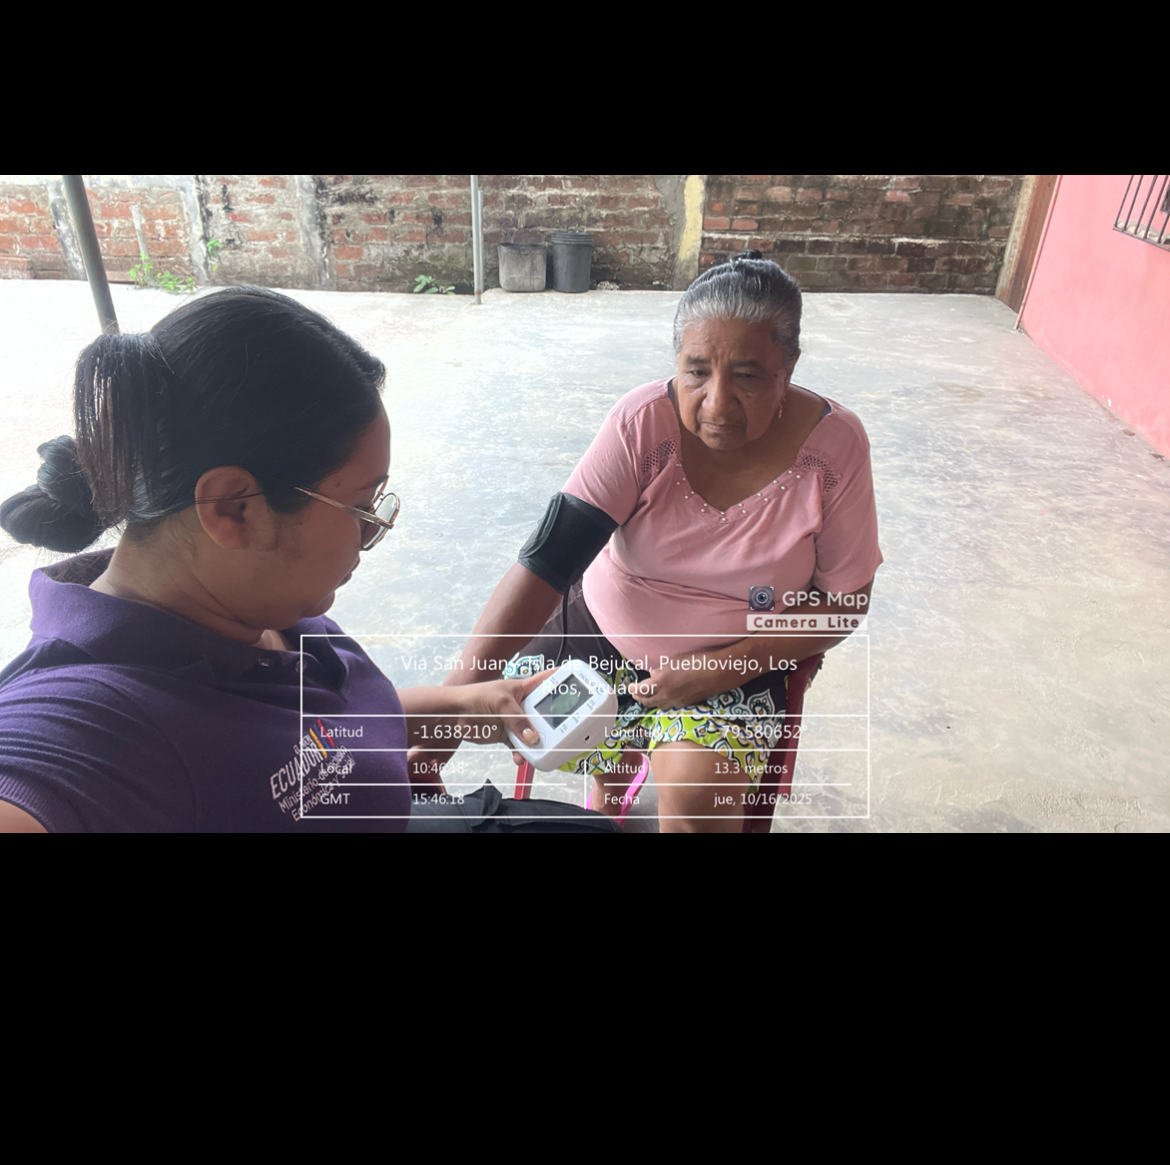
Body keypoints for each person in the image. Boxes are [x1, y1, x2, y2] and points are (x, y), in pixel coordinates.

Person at [0, 287, 547, 833]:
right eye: (361, 505)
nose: (370, 530)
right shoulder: (93, 716)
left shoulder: (254, 605)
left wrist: (463, 707)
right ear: (234, 509)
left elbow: (290, 737)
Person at [431, 253, 884, 834]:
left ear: (788, 366)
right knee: (518, 718)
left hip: (738, 660)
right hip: (602, 633)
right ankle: (611, 778)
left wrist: (721, 670)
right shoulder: (642, 422)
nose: (717, 404)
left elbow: (845, 602)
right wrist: (442, 719)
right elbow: (548, 561)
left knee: (698, 793)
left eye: (748, 376)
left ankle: (638, 769)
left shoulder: (834, 449)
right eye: (696, 372)